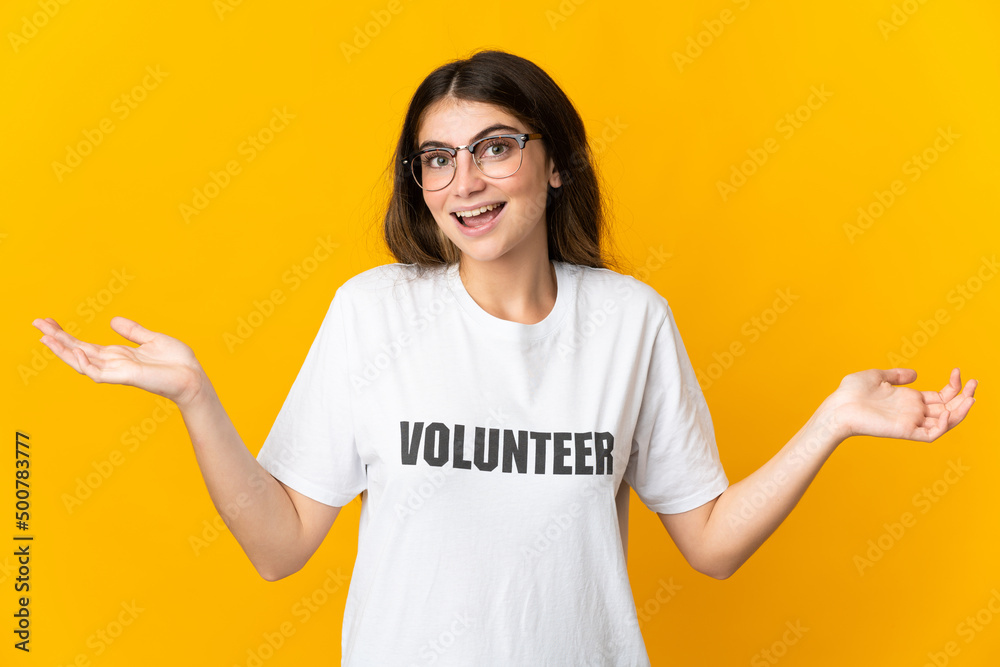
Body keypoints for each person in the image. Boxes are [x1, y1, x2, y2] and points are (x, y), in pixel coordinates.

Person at [32, 49, 977, 666]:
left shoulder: (630, 323)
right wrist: (197, 396)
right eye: (436, 159)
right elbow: (279, 546)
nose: (464, 182)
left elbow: (712, 542)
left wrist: (837, 418)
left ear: (555, 161)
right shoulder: (374, 314)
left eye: (494, 147)